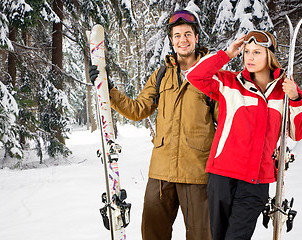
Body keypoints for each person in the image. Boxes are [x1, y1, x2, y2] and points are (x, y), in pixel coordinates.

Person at [89, 9, 216, 240]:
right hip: (161, 172)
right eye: (177, 35)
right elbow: (137, 110)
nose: (182, 40)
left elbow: (227, 121)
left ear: (196, 37)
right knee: (152, 234)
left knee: (202, 236)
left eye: (187, 34)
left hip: (197, 173)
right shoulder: (160, 76)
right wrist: (108, 89)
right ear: (171, 40)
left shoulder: (212, 75)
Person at [184, 31, 302, 240]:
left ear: (269, 56)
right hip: (222, 176)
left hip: (257, 180)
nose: (250, 57)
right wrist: (227, 53)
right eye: (246, 52)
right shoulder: (230, 83)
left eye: (257, 52)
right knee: (217, 236)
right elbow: (194, 76)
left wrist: (296, 98)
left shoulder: (285, 92)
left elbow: (298, 132)